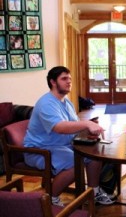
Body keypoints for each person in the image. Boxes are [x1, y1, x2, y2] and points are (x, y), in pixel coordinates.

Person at [23, 66, 115, 206]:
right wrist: (85, 125)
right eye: (64, 79)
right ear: (53, 82)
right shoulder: (46, 103)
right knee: (74, 162)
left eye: (70, 79)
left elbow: (73, 125)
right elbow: (59, 127)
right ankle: (50, 199)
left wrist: (89, 125)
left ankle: (94, 192)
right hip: (41, 150)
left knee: (93, 153)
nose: (69, 82)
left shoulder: (67, 102)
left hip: (63, 146)